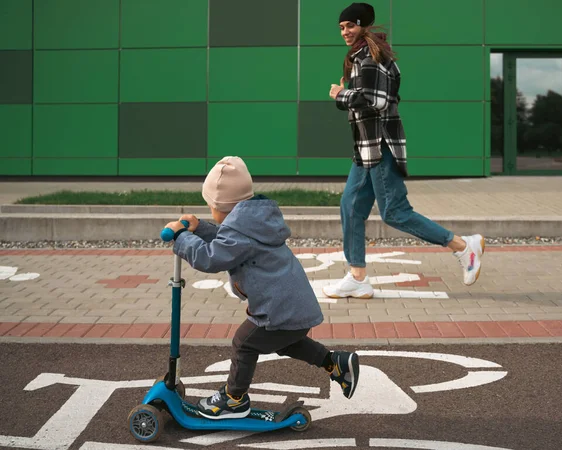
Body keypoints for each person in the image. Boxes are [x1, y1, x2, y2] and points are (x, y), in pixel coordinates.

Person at [164, 156, 359, 420]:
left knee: (244, 343)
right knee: (286, 342)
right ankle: (334, 362)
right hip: (293, 306)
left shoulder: (240, 232)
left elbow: (211, 257)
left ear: (223, 207)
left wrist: (181, 237)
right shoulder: (254, 221)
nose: (211, 211)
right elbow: (226, 240)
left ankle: (234, 399)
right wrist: (200, 229)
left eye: (211, 206)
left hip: (278, 309)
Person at [324, 2, 485, 299]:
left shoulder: (370, 57)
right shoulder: (366, 56)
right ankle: (357, 276)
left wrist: (340, 94)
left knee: (395, 213)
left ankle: (464, 247)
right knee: (350, 206)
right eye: (341, 28)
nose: (345, 32)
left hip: (380, 145)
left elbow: (376, 100)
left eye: (349, 26)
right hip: (366, 148)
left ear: (363, 25)